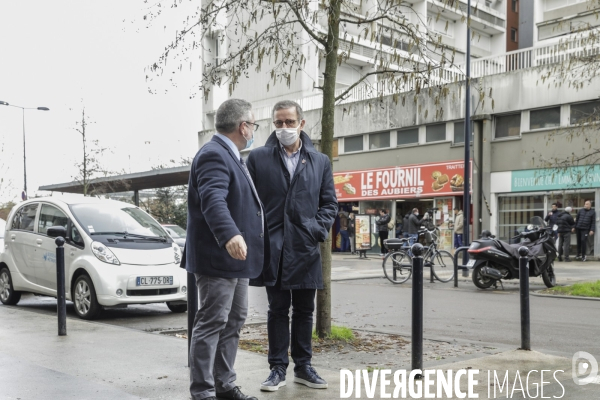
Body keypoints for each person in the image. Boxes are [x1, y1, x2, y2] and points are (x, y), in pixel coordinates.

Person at [246, 100, 337, 392]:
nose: (284, 128)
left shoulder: (320, 160)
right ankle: (276, 369)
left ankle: (304, 366)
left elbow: (329, 203)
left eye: (289, 122)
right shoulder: (258, 158)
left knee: (304, 311)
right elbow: (249, 203)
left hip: (306, 248)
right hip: (274, 248)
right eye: (278, 123)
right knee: (277, 309)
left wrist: (314, 229)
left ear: (302, 123)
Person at [184, 99, 265, 400]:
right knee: (212, 322)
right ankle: (203, 392)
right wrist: (230, 233)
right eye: (253, 125)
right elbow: (213, 199)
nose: (253, 130)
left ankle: (225, 385)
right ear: (244, 127)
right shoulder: (213, 155)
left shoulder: (231, 155)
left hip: (236, 260)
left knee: (233, 321)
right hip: (219, 258)